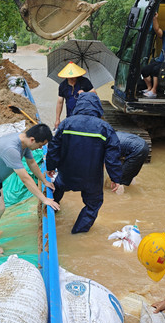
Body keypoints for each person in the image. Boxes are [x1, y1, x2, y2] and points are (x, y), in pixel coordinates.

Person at [0, 124, 59, 254]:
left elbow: (31, 163)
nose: (41, 148)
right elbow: (25, 179)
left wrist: (44, 181)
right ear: (32, 139)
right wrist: (44, 199)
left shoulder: (24, 141)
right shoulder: (11, 149)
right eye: (40, 145)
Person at [46, 92, 123, 234]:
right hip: (91, 178)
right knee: (93, 205)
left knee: (56, 188)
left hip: (67, 174)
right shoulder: (105, 128)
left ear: (79, 105)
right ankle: (78, 233)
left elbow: (53, 147)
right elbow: (112, 157)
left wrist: (50, 167)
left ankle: (51, 211)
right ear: (97, 107)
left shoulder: (66, 123)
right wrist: (115, 178)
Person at [55, 61, 97, 129]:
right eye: (70, 77)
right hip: (70, 116)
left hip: (85, 115)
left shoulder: (85, 81)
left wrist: (85, 94)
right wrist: (57, 119)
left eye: (74, 77)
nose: (72, 78)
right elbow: (60, 102)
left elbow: (94, 94)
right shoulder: (62, 85)